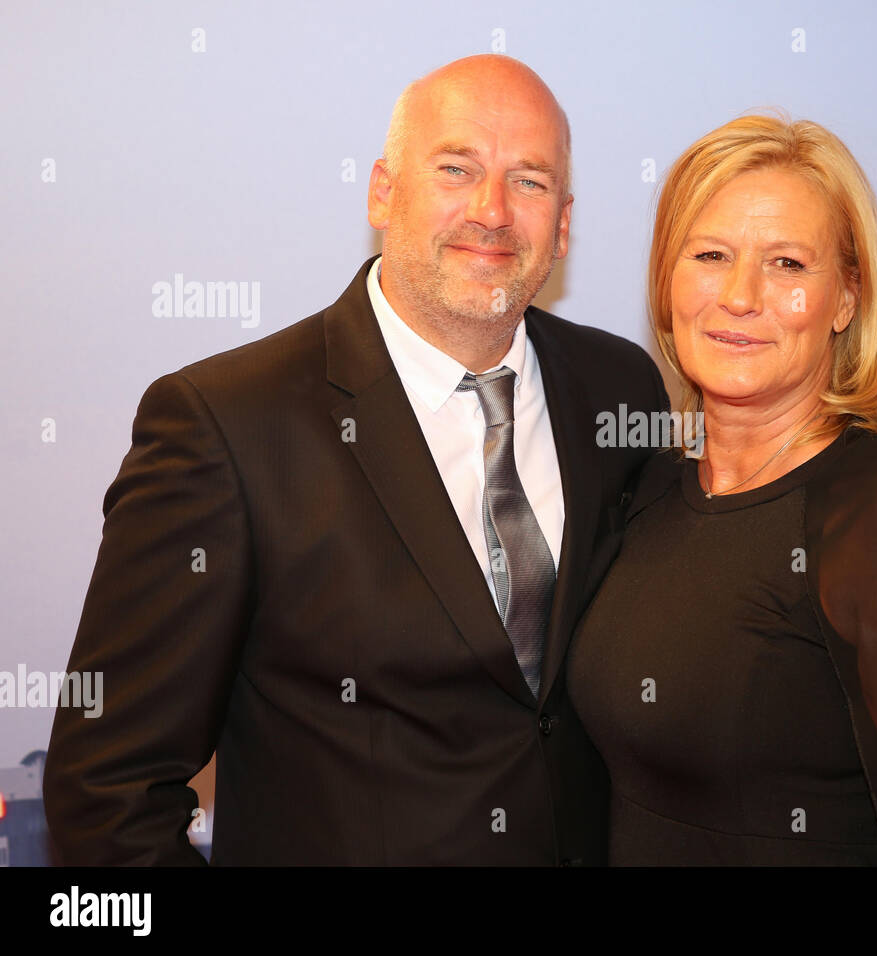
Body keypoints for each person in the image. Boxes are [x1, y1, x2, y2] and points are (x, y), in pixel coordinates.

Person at [43, 55, 668, 865]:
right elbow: (105, 790)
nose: (492, 211)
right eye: (457, 168)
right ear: (382, 191)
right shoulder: (226, 425)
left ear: (565, 219)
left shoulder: (619, 390)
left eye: (530, 181)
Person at [567, 114, 877, 865]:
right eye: (710, 254)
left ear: (848, 299)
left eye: (788, 265)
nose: (740, 295)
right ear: (668, 281)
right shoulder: (644, 489)